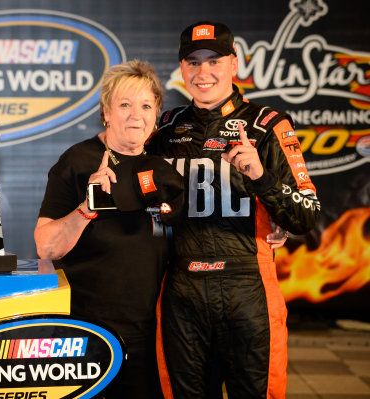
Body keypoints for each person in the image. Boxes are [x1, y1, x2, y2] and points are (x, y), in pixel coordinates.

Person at [147, 21, 321, 398]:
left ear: (234, 64)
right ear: (181, 68)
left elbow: (306, 215)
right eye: (193, 62)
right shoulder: (163, 129)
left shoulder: (269, 125)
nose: (203, 72)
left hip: (249, 289)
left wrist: (261, 177)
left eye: (214, 60)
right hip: (182, 290)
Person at [34, 59, 183, 398]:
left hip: (150, 336)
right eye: (125, 105)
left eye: (146, 105)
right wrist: (87, 207)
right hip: (86, 335)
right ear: (106, 112)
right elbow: (46, 246)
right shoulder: (78, 161)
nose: (136, 114)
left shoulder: (163, 169)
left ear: (157, 113)